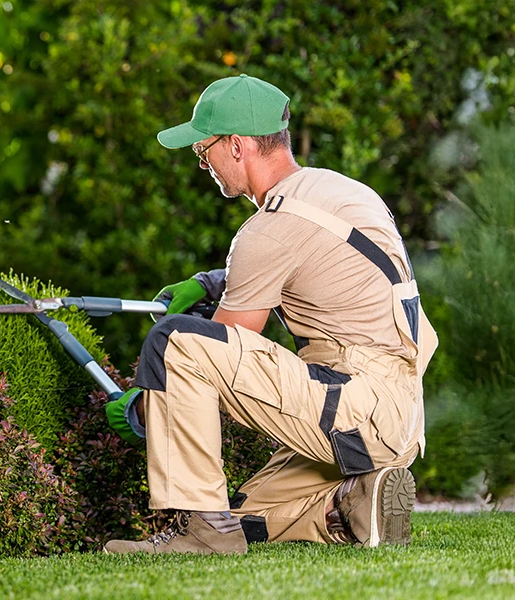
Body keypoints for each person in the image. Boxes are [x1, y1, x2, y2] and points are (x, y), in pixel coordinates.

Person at [100, 74, 438, 555]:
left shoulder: (269, 228)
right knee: (241, 514)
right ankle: (349, 503)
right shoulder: (338, 192)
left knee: (174, 342)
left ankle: (205, 536)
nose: (201, 160)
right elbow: (314, 264)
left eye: (204, 147)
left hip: (355, 409)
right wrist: (212, 282)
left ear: (237, 146)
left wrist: (142, 405)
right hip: (395, 416)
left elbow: (221, 352)